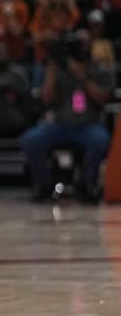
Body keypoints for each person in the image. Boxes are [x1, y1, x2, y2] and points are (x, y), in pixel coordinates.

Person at [20, 29, 114, 203]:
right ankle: (44, 184)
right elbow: (46, 98)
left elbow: (103, 98)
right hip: (60, 125)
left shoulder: (98, 68)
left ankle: (87, 184)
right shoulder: (60, 68)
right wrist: (52, 67)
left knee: (100, 139)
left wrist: (83, 78)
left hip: (88, 125)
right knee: (30, 139)